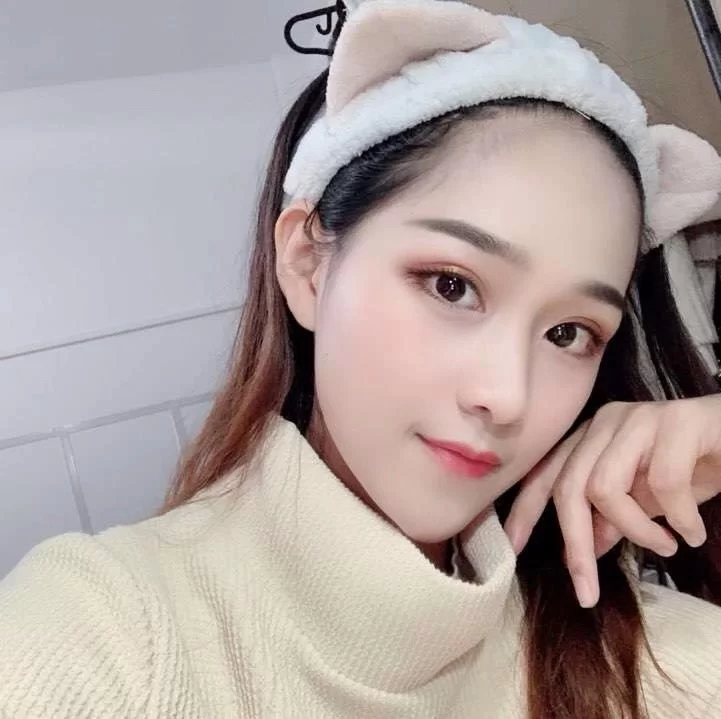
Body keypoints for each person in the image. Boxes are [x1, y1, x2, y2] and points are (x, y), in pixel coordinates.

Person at [2, 1, 721, 717]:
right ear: (308, 264)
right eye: (452, 285)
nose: (506, 395)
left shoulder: (643, 657)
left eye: (568, 333)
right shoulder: (99, 631)